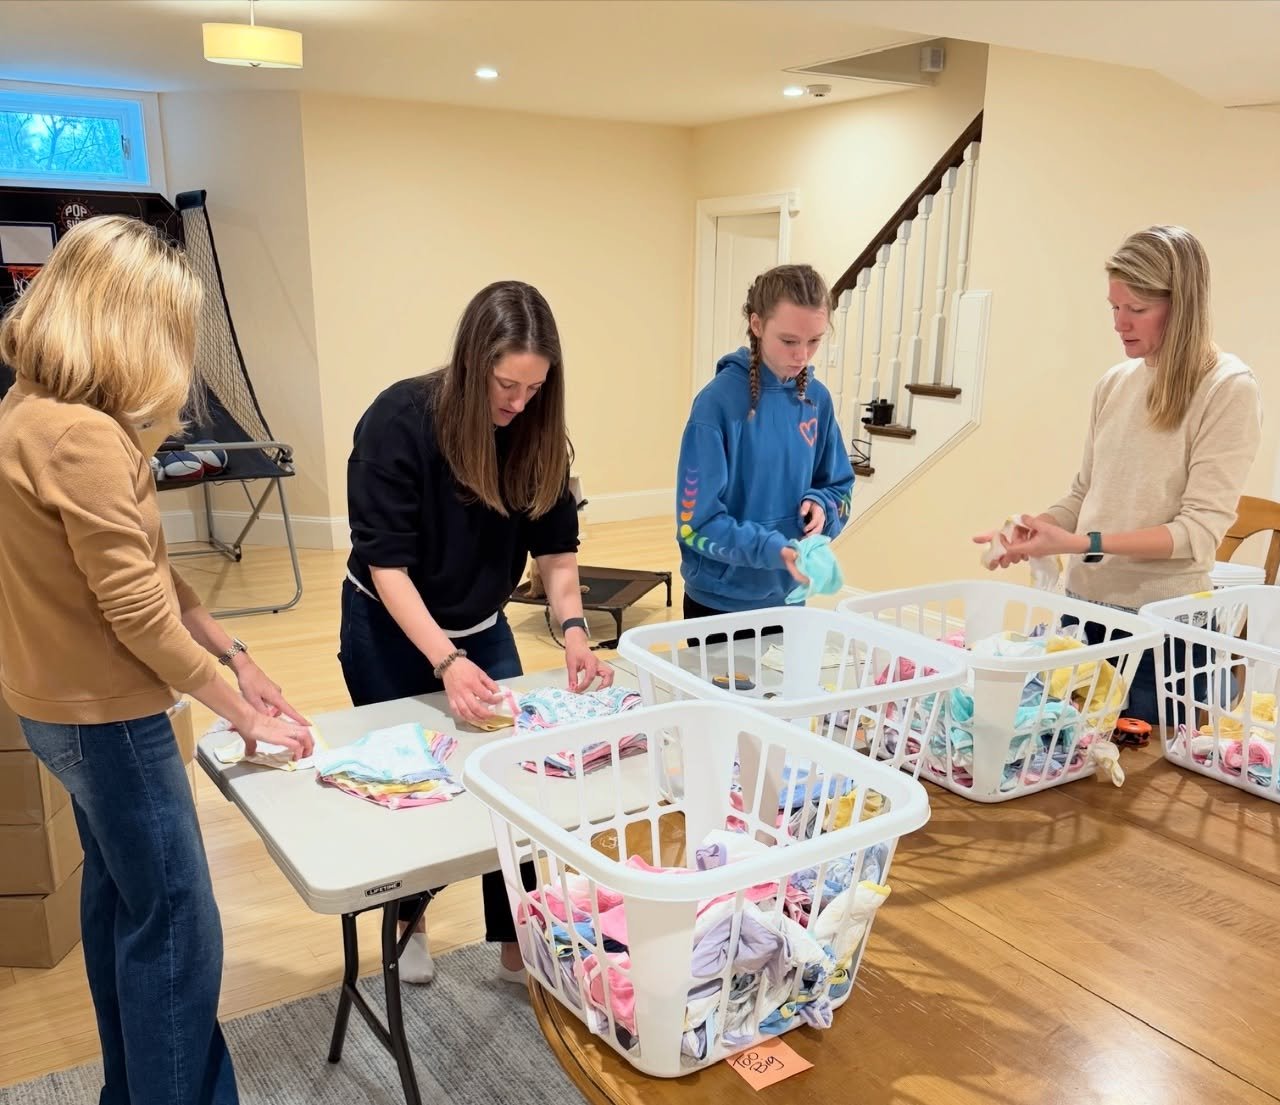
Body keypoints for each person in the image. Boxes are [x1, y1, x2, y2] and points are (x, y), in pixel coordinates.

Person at [0, 215, 313, 1105]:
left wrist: (236, 654)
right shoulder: (84, 437)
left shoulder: (29, 408)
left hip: (53, 707)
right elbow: (134, 608)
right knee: (179, 926)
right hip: (106, 719)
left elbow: (145, 571)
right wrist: (240, 709)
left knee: (120, 903)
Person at [340, 279, 612, 985]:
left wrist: (575, 629)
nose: (517, 404)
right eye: (504, 385)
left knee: (512, 777)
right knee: (412, 782)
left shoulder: (536, 431)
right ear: (469, 363)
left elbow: (556, 551)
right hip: (389, 625)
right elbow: (386, 562)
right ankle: (408, 921)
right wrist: (446, 659)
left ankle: (518, 938)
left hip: (480, 624)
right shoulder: (398, 420)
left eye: (533, 389)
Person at [976, 225, 1262, 724]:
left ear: (1181, 305)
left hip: (1163, 631)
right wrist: (1035, 527)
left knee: (1138, 792)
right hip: (1085, 613)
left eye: (1136, 309)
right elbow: (1085, 492)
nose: (1119, 324)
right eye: (1114, 307)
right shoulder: (1115, 383)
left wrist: (1078, 543)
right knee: (1064, 768)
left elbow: (1196, 534)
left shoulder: (1228, 389)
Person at [675, 263, 854, 623]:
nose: (802, 355)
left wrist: (823, 507)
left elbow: (840, 488)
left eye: (814, 341)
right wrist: (774, 550)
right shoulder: (715, 405)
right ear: (757, 325)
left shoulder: (816, 400)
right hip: (720, 605)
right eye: (789, 341)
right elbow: (695, 526)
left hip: (789, 601)